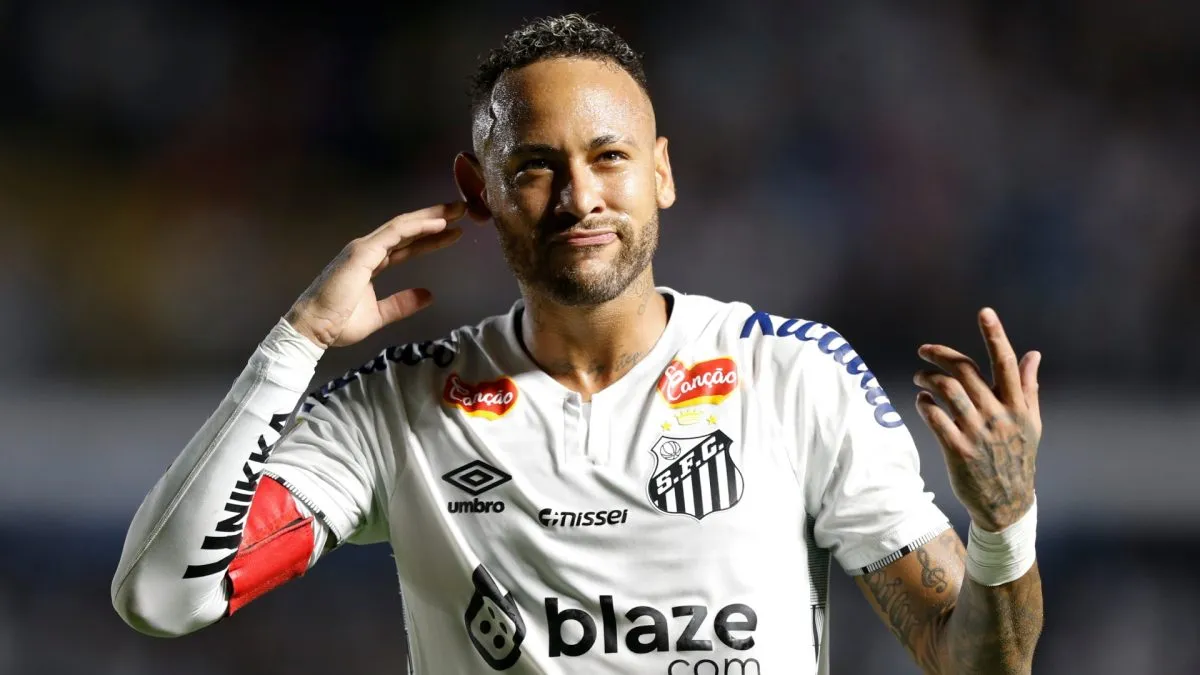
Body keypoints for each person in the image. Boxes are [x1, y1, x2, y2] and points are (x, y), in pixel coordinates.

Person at [111, 14, 1043, 675]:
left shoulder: (793, 377)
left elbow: (977, 664)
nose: (581, 197)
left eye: (609, 157)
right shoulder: (399, 408)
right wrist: (298, 339)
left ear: (662, 173)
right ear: (478, 190)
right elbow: (163, 594)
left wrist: (1002, 525)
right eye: (536, 167)